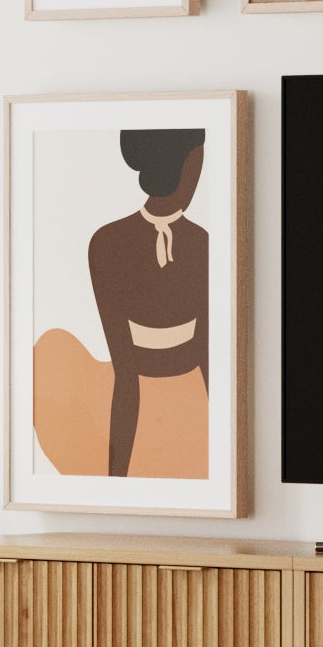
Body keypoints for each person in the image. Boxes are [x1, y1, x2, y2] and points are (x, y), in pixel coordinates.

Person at [88, 129, 209, 479]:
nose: (198, 178)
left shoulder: (202, 242)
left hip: (185, 366)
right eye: (196, 165)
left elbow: (208, 351)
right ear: (184, 168)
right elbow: (123, 365)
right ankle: (117, 478)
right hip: (141, 367)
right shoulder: (108, 243)